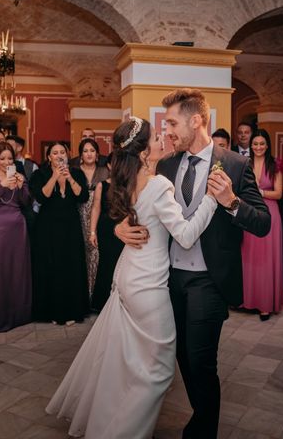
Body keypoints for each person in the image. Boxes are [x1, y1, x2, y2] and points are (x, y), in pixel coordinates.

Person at [46, 116, 219, 438]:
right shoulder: (158, 185)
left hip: (127, 276)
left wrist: (117, 228)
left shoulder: (126, 182)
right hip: (148, 285)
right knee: (159, 371)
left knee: (132, 363)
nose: (162, 141)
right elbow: (184, 235)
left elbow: (136, 223)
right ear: (142, 152)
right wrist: (212, 199)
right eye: (155, 139)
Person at [115, 89, 270, 439]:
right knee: (181, 357)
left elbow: (262, 223)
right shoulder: (166, 163)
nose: (167, 130)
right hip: (166, 280)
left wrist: (231, 202)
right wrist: (120, 225)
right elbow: (138, 206)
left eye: (172, 122)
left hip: (208, 280)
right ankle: (201, 418)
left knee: (201, 361)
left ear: (196, 119)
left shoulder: (234, 164)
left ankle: (202, 430)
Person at [30, 142, 90, 325]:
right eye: (54, 153)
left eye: (62, 152)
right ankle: (52, 312)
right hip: (47, 228)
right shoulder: (39, 174)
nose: (58, 155)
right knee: (51, 267)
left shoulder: (77, 173)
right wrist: (55, 176)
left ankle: (73, 310)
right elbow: (41, 196)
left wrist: (69, 178)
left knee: (71, 266)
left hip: (70, 226)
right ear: (49, 157)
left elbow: (83, 197)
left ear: (67, 154)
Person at [0, 142, 32, 332]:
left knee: (19, 271)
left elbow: (26, 202)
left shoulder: (19, 176)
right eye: (2, 158)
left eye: (10, 158)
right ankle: (2, 320)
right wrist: (2, 185)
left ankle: (21, 316)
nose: (6, 162)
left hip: (18, 227)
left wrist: (21, 186)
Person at [241, 129, 283, 320]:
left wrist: (260, 192)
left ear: (267, 146)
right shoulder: (244, 163)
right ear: (251, 145)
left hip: (269, 213)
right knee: (248, 255)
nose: (258, 147)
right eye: (255, 144)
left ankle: (265, 304)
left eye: (262, 144)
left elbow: (278, 193)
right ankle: (247, 300)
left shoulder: (275, 164)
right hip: (249, 212)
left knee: (266, 258)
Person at [88, 154, 123, 312]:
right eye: (114, 162)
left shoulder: (128, 184)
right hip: (106, 229)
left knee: (123, 264)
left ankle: (122, 300)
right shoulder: (102, 185)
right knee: (107, 265)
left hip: (123, 227)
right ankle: (102, 302)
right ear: (108, 165)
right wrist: (93, 232)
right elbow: (96, 208)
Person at [77, 138, 110, 297]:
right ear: (80, 155)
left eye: (92, 151)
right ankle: (82, 295)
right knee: (80, 254)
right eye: (85, 151)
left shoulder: (105, 171)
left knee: (96, 253)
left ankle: (95, 294)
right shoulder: (74, 171)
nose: (89, 154)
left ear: (97, 154)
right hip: (78, 214)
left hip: (99, 213)